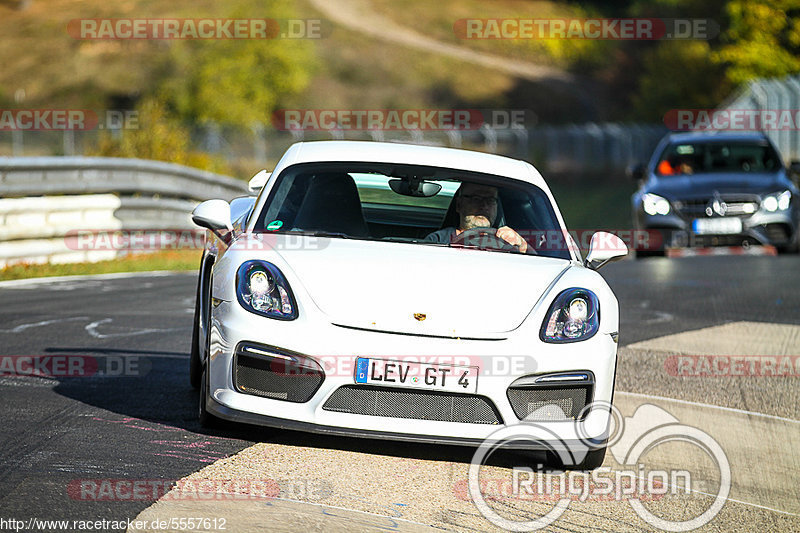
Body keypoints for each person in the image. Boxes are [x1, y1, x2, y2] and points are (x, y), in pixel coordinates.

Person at [424, 183, 529, 252]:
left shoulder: (508, 242)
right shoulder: (438, 240)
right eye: (476, 199)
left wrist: (522, 245)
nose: (484, 206)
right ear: (459, 205)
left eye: (490, 200)